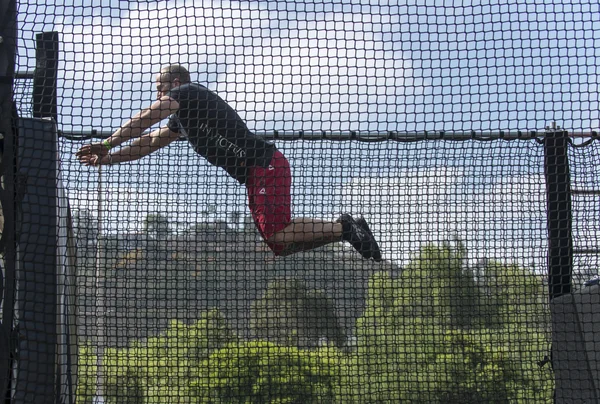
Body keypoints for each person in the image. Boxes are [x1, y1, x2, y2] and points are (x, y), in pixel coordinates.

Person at [76, 64, 382, 261]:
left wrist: (106, 144)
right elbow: (149, 142)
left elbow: (145, 119)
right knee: (279, 244)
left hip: (265, 164)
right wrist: (111, 159)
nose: (157, 94)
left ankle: (344, 229)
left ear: (176, 82)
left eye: (160, 87)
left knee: (277, 233)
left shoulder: (189, 93)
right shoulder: (180, 122)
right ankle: (345, 228)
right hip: (255, 175)